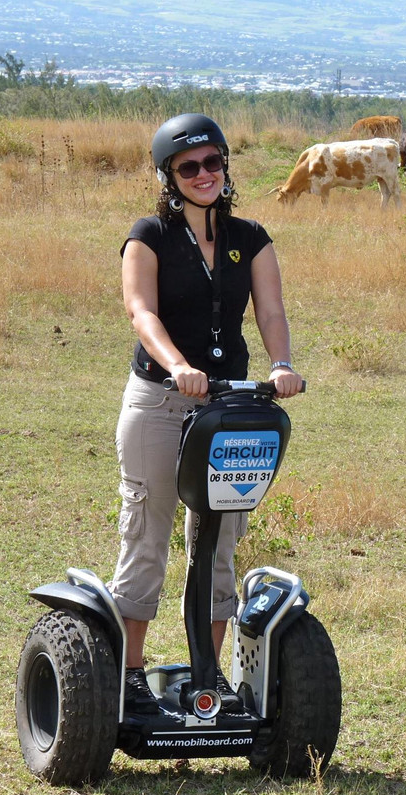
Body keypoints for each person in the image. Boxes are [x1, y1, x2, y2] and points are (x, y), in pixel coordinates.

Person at [108, 113, 304, 714]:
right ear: (168, 176)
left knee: (218, 542)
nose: (203, 174)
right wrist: (176, 366)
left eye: (212, 162)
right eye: (188, 167)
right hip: (161, 401)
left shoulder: (251, 237)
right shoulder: (149, 236)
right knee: (148, 535)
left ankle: (207, 677)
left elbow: (271, 311)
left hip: (228, 405)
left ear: (225, 165)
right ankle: (130, 677)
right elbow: (141, 312)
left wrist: (281, 364)